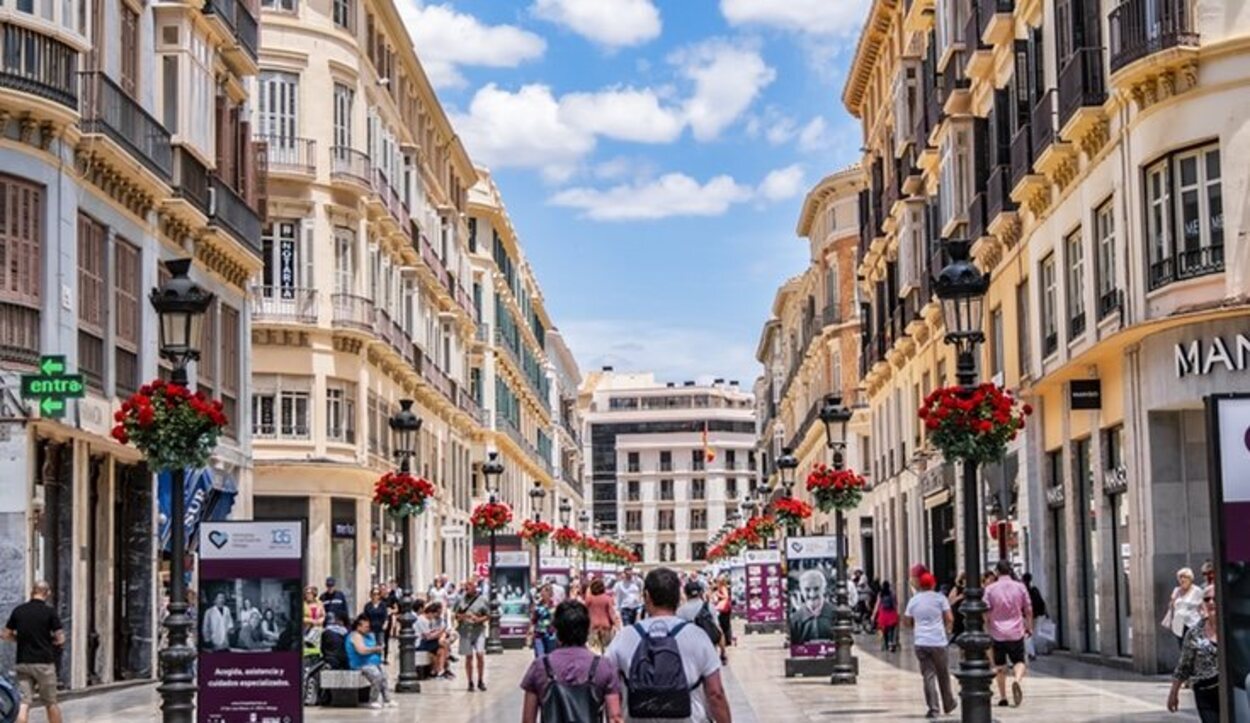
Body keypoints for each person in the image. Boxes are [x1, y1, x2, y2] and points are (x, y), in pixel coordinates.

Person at [606, 568, 732, 723]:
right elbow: (715, 693)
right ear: (679, 597)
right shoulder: (698, 636)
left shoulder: (625, 637)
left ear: (646, 596)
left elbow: (609, 685)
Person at [521, 600, 624, 723]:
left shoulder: (541, 666)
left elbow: (528, 720)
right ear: (586, 631)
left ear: (557, 632)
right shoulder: (603, 666)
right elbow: (615, 717)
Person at [2, 582, 65, 723]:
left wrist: (19, 639)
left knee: (24, 702)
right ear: (47, 593)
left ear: (32, 592)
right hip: (44, 663)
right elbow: (60, 638)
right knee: (51, 702)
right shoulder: (50, 612)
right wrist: (52, 641)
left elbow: (5, 634)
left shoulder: (19, 610)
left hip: (23, 662)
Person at [904, 573, 957, 719]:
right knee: (943, 674)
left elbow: (907, 621)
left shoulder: (914, 600)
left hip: (921, 642)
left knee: (928, 675)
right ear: (933, 584)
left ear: (920, 585)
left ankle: (933, 709)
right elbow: (950, 618)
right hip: (938, 641)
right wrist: (947, 630)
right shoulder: (940, 598)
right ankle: (949, 703)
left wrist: (917, 626)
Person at [984, 559, 1033, 708]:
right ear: (1010, 570)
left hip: (997, 632)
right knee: (1019, 661)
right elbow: (1028, 608)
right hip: (1016, 631)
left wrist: (988, 623)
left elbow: (985, 609)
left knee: (1000, 665)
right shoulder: (1020, 587)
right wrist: (1029, 626)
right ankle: (1017, 680)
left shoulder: (990, 589)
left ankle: (1003, 697)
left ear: (997, 572)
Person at [1168, 585, 1220, 722]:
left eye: (1215, 598)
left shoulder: (1234, 628)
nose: (1211, 602)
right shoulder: (1194, 633)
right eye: (1207, 599)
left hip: (1230, 690)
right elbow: (1184, 665)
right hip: (1205, 692)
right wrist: (1174, 692)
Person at [347, 613, 396, 709]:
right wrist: (375, 649)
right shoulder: (355, 636)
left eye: (368, 627)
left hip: (373, 662)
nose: (368, 629)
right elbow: (361, 650)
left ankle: (387, 699)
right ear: (358, 626)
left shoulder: (369, 636)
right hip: (361, 664)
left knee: (384, 676)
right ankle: (373, 700)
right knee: (377, 676)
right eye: (365, 627)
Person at [454, 577, 491, 692]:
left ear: (475, 587)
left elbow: (488, 615)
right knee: (468, 656)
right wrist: (464, 617)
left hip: (478, 630)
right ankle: (470, 681)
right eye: (466, 585)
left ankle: (480, 680)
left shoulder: (482, 600)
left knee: (480, 654)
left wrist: (478, 619)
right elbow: (456, 615)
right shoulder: (460, 599)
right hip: (465, 631)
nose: (467, 587)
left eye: (469, 585)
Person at [678, 580, 725, 665]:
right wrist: (723, 652)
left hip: (690, 655)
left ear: (686, 594)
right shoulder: (709, 607)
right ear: (700, 593)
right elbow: (718, 630)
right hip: (709, 652)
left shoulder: (680, 611)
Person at [789, 569, 835, 644]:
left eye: (816, 589)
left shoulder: (836, 614)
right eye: (807, 589)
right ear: (801, 591)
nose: (812, 594)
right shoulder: (795, 619)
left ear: (824, 589)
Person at [1164, 567, 1204, 647]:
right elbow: (1172, 606)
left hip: (1192, 624)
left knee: (1193, 647)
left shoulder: (1197, 591)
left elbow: (1202, 607)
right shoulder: (1176, 590)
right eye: (1180, 577)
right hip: (1179, 624)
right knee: (1182, 647)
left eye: (1185, 577)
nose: (1182, 579)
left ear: (1190, 578)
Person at [415, 601, 452, 679]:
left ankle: (440, 671)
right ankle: (443, 668)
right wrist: (440, 632)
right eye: (435, 614)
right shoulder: (422, 620)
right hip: (420, 643)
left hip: (425, 641)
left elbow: (429, 633)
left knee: (441, 650)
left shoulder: (427, 620)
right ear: (431, 613)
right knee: (443, 644)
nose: (435, 617)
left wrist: (438, 632)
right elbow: (428, 637)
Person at [585, 578, 619, 653]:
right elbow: (611, 613)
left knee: (594, 650)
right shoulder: (607, 599)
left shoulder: (589, 599)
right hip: (606, 626)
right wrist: (616, 625)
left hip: (593, 626)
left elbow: (585, 612)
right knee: (606, 650)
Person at [1021, 573, 1046, 660]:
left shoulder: (1023, 591)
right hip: (1034, 615)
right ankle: (1031, 651)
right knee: (1031, 633)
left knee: (1027, 634)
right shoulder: (1034, 590)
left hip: (1026, 616)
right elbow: (1041, 602)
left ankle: (1031, 653)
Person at [363, 586, 391, 663]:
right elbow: (365, 617)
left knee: (380, 643)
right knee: (372, 643)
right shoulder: (368, 606)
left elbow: (386, 616)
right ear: (371, 595)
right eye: (374, 594)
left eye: (377, 594)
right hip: (371, 628)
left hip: (380, 628)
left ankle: (380, 658)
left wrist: (386, 623)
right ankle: (372, 658)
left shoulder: (383, 605)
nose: (375, 596)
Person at [873, 581, 900, 652]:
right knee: (891, 629)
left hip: (883, 614)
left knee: (884, 630)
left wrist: (873, 615)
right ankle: (891, 642)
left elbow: (877, 604)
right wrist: (897, 613)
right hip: (891, 613)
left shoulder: (880, 594)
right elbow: (895, 604)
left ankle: (886, 644)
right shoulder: (892, 594)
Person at [531, 584, 557, 657]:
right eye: (541, 592)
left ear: (550, 593)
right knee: (540, 656)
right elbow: (533, 618)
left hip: (550, 634)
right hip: (539, 633)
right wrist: (531, 630)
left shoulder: (555, 605)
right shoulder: (537, 605)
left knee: (550, 656)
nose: (542, 594)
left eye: (544, 592)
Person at [713, 579, 734, 651]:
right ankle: (727, 640)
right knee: (725, 624)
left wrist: (718, 594)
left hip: (724, 608)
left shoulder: (723, 588)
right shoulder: (721, 588)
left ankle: (727, 640)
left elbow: (726, 597)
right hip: (723, 608)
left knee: (725, 624)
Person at [948, 573, 967, 642]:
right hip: (958, 613)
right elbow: (950, 601)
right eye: (965, 579)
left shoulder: (972, 589)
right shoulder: (957, 588)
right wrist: (959, 597)